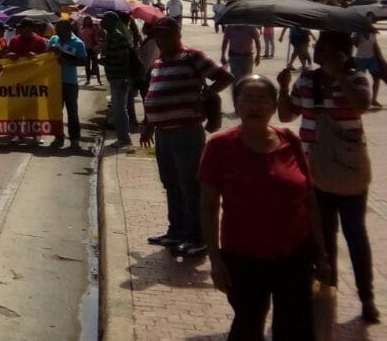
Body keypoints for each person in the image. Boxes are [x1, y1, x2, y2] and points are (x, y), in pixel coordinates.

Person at [200, 75, 331, 340]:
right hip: (243, 258)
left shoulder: (290, 140)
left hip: (295, 255)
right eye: (247, 99)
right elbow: (208, 206)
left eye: (262, 99)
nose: (255, 106)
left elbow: (309, 200)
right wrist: (215, 259)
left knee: (295, 329)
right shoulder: (219, 146)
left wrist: (320, 254)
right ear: (237, 106)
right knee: (247, 326)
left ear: (274, 106)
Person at [278, 30, 379, 323]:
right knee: (323, 236)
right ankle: (328, 289)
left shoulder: (357, 78)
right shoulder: (306, 80)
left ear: (341, 52)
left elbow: (361, 104)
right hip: (314, 170)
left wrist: (340, 76)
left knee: (355, 233)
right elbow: (286, 116)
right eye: (318, 46)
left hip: (348, 171)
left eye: (324, 47)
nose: (318, 51)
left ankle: (367, 297)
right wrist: (283, 89)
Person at [140, 17, 232, 258]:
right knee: (170, 184)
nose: (162, 40)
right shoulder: (159, 62)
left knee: (190, 186)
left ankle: (196, 237)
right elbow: (154, 94)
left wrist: (206, 95)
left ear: (178, 35)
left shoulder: (192, 57)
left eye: (166, 35)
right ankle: (176, 231)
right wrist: (149, 125)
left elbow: (224, 77)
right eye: (158, 36)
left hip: (186, 132)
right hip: (163, 133)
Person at [48, 19, 86, 151]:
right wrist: (50, 50)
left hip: (70, 82)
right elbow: (46, 56)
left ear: (68, 30)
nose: (57, 32)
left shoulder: (78, 43)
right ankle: (58, 137)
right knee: (55, 111)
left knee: (72, 112)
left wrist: (67, 61)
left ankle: (75, 139)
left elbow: (83, 61)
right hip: (54, 81)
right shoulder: (54, 39)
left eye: (59, 30)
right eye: (56, 30)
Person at [100, 12, 135, 148]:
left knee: (120, 109)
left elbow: (125, 58)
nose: (101, 22)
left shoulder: (118, 37)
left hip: (120, 78)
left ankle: (124, 138)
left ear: (111, 22)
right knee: (117, 108)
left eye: (104, 19)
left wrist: (125, 77)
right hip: (114, 77)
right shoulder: (109, 37)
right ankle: (122, 136)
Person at [352, 30, 384, 109]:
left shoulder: (372, 32)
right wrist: (358, 37)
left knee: (376, 79)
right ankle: (358, 100)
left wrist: (380, 58)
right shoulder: (357, 32)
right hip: (360, 59)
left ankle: (374, 100)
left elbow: (375, 45)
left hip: (372, 59)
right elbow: (355, 44)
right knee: (358, 80)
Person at [78, 16, 102, 86]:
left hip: (92, 48)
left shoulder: (93, 28)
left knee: (95, 65)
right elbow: (79, 38)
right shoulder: (81, 28)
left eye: (88, 20)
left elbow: (96, 37)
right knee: (87, 65)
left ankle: (99, 80)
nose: (87, 22)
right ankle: (88, 80)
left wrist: (98, 44)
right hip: (84, 48)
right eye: (86, 20)